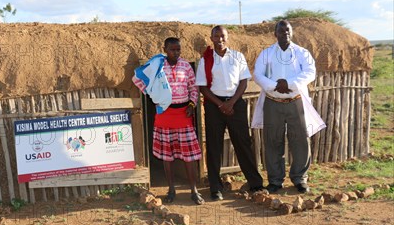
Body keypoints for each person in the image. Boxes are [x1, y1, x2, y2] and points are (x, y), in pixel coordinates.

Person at [252, 20, 325, 194]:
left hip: (296, 101)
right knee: (272, 141)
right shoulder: (266, 53)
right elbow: (257, 74)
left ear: (291, 33)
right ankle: (275, 180)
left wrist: (289, 84)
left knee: (300, 140)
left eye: (288, 30)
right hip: (273, 102)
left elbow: (309, 73)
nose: (285, 33)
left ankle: (300, 178)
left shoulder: (302, 53)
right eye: (281, 30)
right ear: (275, 33)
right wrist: (275, 86)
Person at [133, 37, 204, 204]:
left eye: (178, 49)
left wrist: (192, 104)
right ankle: (171, 190)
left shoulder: (186, 66)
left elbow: (194, 87)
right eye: (172, 49)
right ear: (164, 49)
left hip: (183, 115)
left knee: (189, 156)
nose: (176, 53)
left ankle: (194, 190)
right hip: (164, 115)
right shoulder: (157, 65)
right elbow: (138, 79)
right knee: (167, 156)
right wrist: (152, 96)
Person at [196, 26, 264, 200]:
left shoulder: (238, 57)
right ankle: (215, 187)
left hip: (235, 104)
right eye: (216, 36)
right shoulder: (205, 60)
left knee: (243, 143)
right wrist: (220, 104)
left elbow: (243, 82)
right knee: (213, 146)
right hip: (214, 105)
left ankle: (255, 184)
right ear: (211, 38)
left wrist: (231, 102)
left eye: (223, 36)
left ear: (228, 37)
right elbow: (203, 87)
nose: (220, 39)